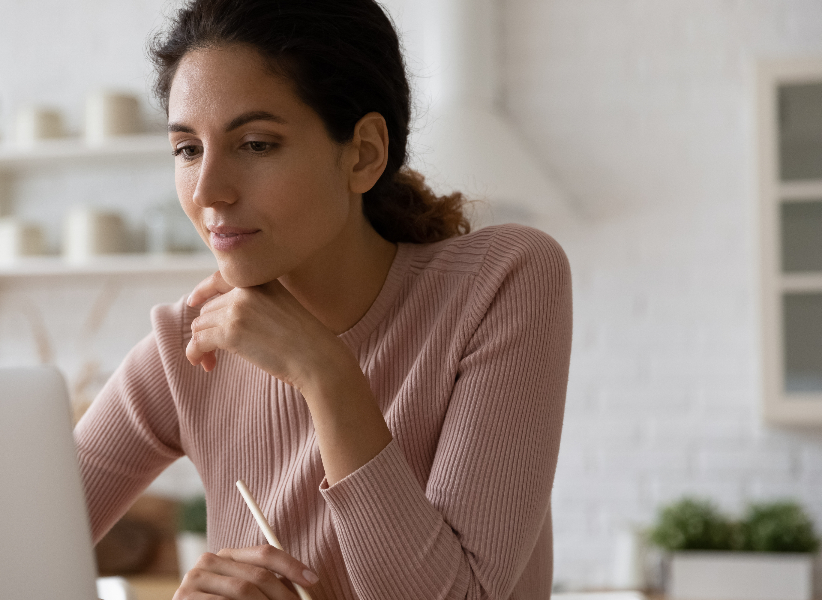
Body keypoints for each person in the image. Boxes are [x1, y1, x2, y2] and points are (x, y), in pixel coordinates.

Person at [73, 0, 573, 598]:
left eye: (256, 144)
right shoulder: (187, 347)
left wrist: (324, 372)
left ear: (362, 153)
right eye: (187, 149)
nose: (208, 191)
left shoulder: (500, 284)